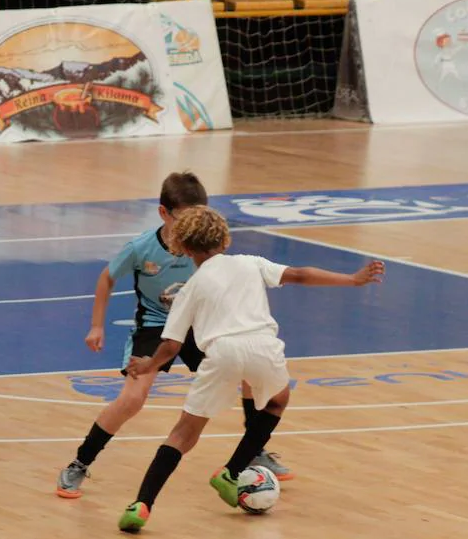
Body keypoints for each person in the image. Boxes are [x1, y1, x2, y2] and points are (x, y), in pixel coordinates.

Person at [118, 205, 385, 532]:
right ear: (224, 239)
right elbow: (300, 274)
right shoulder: (250, 263)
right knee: (277, 401)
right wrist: (352, 279)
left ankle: (142, 505)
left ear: (184, 247)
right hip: (262, 347)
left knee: (183, 434)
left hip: (220, 353)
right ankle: (231, 472)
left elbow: (171, 346)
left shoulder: (191, 287)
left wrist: (147, 366)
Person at [56, 173, 293, 500]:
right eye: (185, 217)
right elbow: (106, 279)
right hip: (156, 327)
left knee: (250, 377)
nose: (194, 223)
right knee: (132, 399)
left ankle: (255, 450)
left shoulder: (204, 244)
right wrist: (96, 326)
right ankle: (80, 462)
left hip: (202, 328)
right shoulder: (141, 248)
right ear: (164, 214)